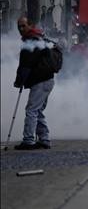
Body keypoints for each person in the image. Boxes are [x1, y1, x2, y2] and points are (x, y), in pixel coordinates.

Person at [13, 16, 57, 150]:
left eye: (23, 26)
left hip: (41, 80)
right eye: (19, 26)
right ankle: (44, 139)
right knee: (37, 110)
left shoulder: (31, 40)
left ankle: (28, 140)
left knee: (31, 110)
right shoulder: (40, 37)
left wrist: (19, 81)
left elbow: (26, 65)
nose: (21, 29)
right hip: (47, 80)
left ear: (30, 25)